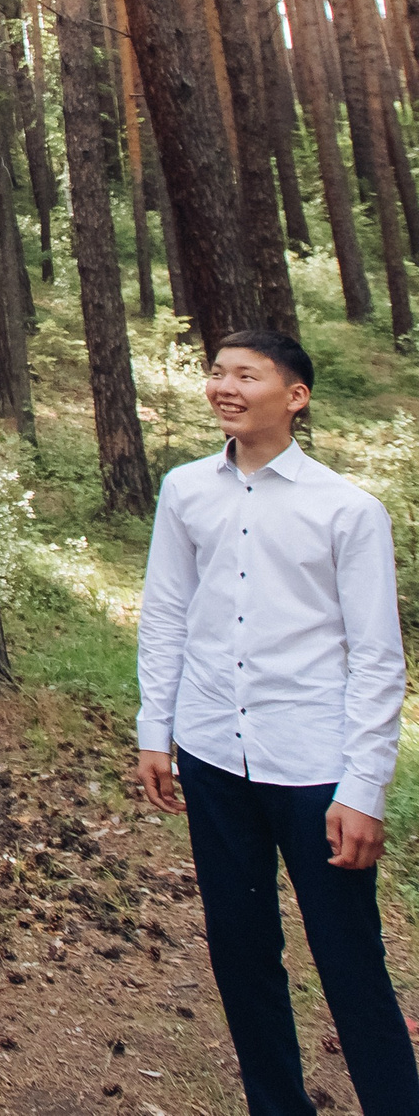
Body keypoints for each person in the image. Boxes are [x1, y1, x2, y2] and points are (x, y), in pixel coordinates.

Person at [135, 329, 418, 1116]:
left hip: (313, 765)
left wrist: (363, 787)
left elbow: (377, 656)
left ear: (294, 395)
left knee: (349, 956)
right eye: (217, 372)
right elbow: (165, 615)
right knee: (241, 947)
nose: (224, 386)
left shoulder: (348, 510)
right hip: (213, 752)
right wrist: (155, 730)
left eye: (246, 375)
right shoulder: (186, 490)